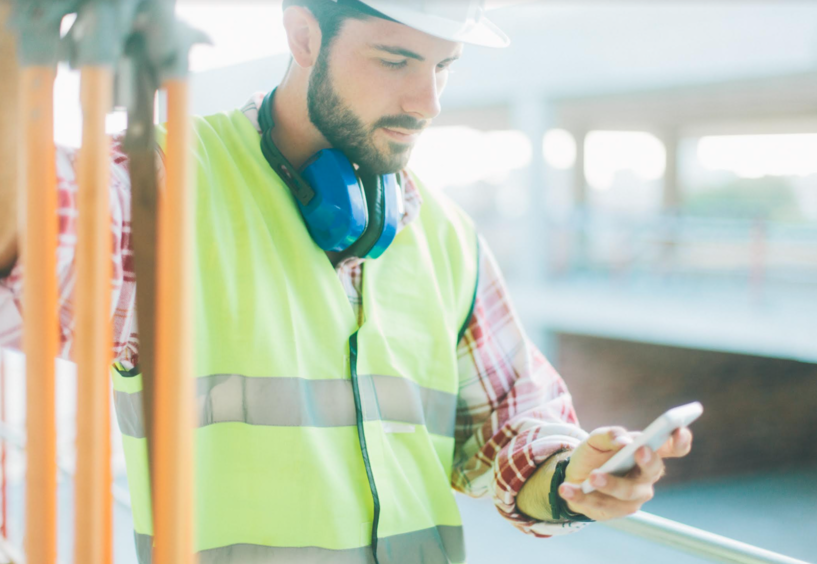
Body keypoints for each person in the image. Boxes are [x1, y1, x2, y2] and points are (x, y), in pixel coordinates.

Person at [0, 1, 693, 562]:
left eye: (444, 67)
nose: (428, 102)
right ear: (303, 33)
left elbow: (512, 433)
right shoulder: (166, 188)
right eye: (395, 59)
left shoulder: (445, 234)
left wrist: (579, 478)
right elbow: (21, 232)